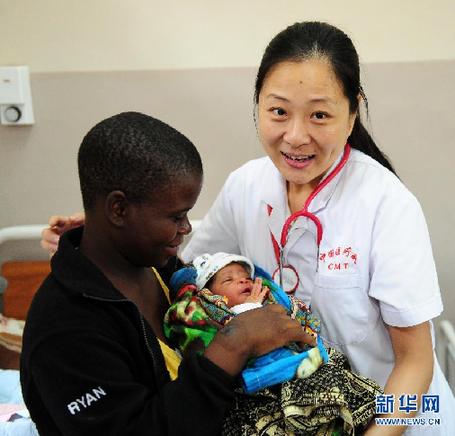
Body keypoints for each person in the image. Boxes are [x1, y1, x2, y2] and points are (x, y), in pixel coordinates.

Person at [40, 21, 455, 434]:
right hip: (304, 419)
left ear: (351, 114)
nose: (295, 136)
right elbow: (193, 274)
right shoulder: (246, 187)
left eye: (319, 115)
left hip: (391, 420)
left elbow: (416, 362)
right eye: (278, 111)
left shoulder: (386, 204)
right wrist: (106, 232)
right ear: (257, 105)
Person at [21, 112, 314, 435]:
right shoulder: (64, 331)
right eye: (176, 216)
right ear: (119, 209)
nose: (186, 228)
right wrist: (234, 344)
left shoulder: (164, 270)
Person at [164, 252, 383, 435]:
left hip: (306, 369)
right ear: (209, 295)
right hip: (262, 390)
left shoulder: (273, 305)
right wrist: (248, 310)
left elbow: (303, 324)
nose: (243, 281)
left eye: (246, 277)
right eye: (228, 280)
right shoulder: (213, 318)